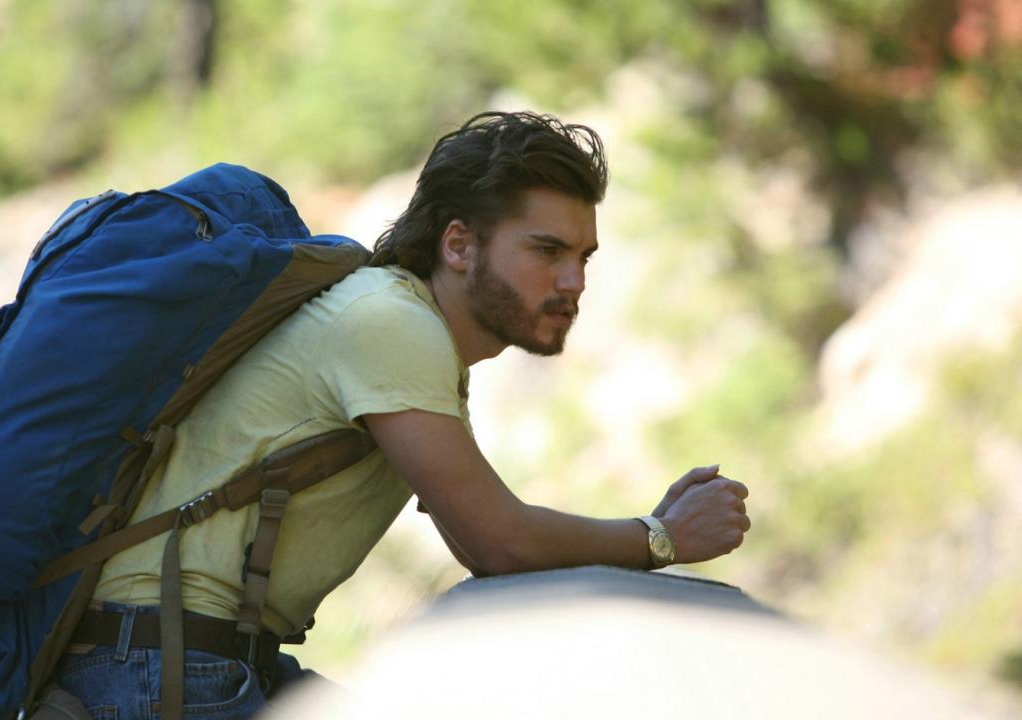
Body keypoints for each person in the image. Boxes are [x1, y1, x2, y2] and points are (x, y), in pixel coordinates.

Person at [52, 111, 751, 719]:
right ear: (457, 245)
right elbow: (495, 540)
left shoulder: (417, 338)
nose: (573, 282)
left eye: (583, 257)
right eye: (546, 251)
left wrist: (649, 531)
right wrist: (659, 537)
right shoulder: (390, 325)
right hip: (156, 666)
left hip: (196, 654)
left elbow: (480, 535)